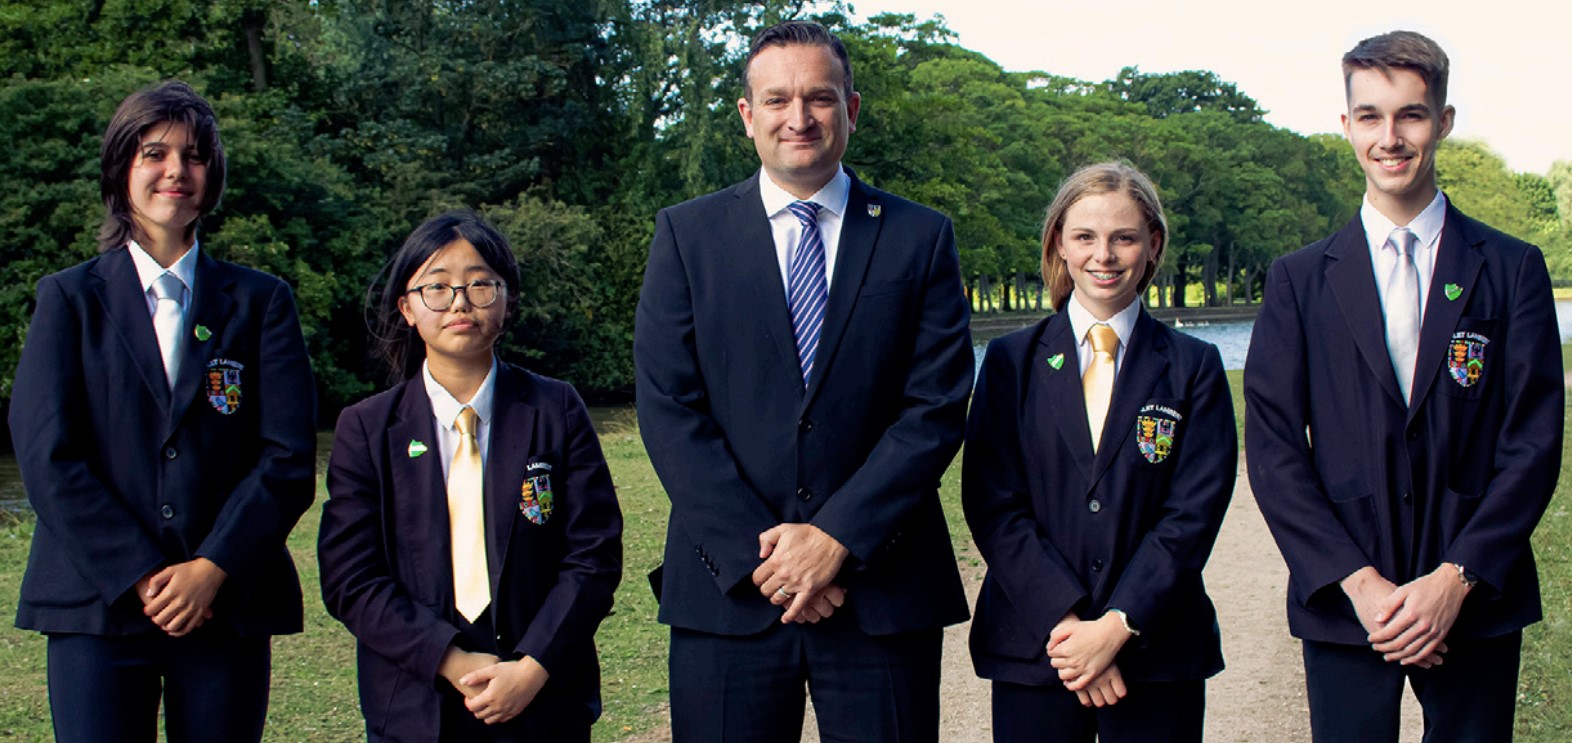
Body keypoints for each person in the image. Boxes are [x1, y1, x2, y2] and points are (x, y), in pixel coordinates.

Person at [633, 18, 974, 742]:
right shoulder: (686, 236)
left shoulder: (921, 236)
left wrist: (836, 540)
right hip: (730, 594)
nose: (800, 117)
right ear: (747, 116)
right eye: (778, 99)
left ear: (850, 109)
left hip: (880, 591)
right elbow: (669, 408)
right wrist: (771, 561)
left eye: (819, 97)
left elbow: (935, 406)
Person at [1245, 30, 1563, 742]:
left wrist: (1457, 577)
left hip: (1475, 599)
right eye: (1370, 116)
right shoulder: (1298, 281)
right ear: (1347, 125)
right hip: (1347, 600)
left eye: (1411, 115)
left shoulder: (1512, 269)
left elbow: (1534, 441)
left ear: (1443, 121)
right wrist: (1359, 583)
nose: (1390, 137)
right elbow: (1272, 450)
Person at [7, 80, 317, 742]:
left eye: (195, 154)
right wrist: (142, 573)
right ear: (122, 167)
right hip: (97, 606)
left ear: (213, 175)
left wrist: (210, 568)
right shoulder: (68, 299)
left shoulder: (262, 302)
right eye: (155, 151)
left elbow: (286, 456)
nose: (176, 170)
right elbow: (46, 453)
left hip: (225, 605)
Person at [318, 210, 623, 742]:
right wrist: (451, 660)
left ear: (506, 300)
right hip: (415, 706)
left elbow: (593, 556)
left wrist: (532, 667)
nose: (460, 300)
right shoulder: (366, 428)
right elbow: (351, 577)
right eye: (436, 286)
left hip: (543, 701)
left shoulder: (556, 409)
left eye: (480, 284)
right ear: (407, 308)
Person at [963, 162, 1235, 742]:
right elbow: (993, 504)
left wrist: (1116, 626)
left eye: (1124, 237)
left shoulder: (1194, 367)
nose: (1103, 255)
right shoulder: (1012, 363)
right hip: (1040, 652)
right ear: (1060, 242)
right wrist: (1068, 627)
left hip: (1157, 653)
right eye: (1085, 236)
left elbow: (1193, 515)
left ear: (1153, 243)